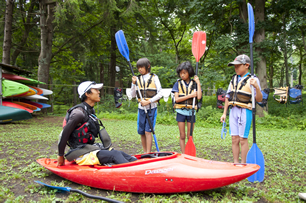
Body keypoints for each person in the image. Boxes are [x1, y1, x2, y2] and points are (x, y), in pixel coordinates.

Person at [57, 81, 137, 167]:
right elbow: (64, 134)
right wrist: (60, 155)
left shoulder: (90, 110)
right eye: (95, 90)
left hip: (89, 148)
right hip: (80, 153)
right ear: (87, 94)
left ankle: (138, 165)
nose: (99, 92)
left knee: (119, 153)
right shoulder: (78, 113)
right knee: (115, 155)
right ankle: (133, 172)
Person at [220, 54, 262, 163]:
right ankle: (235, 162)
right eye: (235, 66)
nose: (236, 68)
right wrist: (224, 113)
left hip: (245, 111)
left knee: (243, 139)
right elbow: (228, 97)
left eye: (238, 66)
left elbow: (259, 99)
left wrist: (256, 87)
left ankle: (244, 163)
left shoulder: (253, 79)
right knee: (234, 138)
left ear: (247, 65)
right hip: (233, 110)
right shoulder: (233, 78)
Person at [131, 58, 163, 153]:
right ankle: (145, 152)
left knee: (147, 131)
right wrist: (133, 84)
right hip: (141, 109)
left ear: (148, 66)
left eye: (141, 67)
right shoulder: (137, 79)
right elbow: (132, 95)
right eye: (138, 68)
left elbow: (160, 93)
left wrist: (149, 101)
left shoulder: (154, 77)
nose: (139, 69)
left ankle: (148, 152)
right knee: (141, 132)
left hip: (151, 109)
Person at [171, 61, 202, 154]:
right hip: (180, 111)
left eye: (184, 73)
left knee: (190, 135)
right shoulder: (178, 83)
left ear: (189, 73)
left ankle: (189, 153)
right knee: (182, 135)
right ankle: (184, 154)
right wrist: (190, 95)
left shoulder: (194, 83)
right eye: (181, 73)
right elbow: (176, 99)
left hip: (191, 112)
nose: (182, 75)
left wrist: (198, 83)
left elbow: (199, 97)